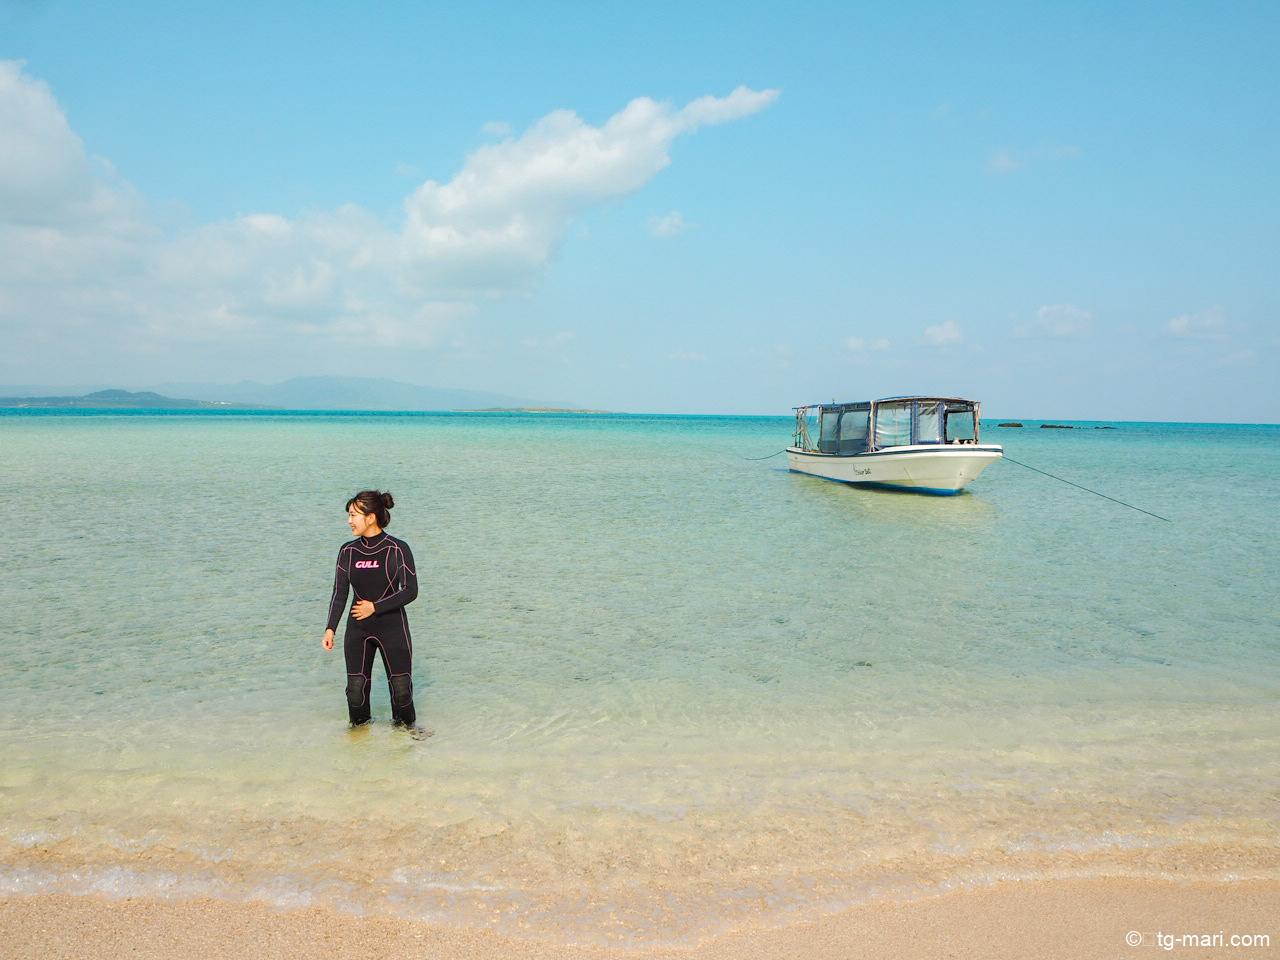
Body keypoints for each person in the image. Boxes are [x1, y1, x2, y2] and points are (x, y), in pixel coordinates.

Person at [322, 490, 430, 738]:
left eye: (353, 515)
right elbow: (339, 593)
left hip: (393, 627)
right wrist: (330, 628)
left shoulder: (398, 548)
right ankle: (359, 744)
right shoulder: (347, 551)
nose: (349, 521)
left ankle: (405, 740)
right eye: (348, 515)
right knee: (356, 690)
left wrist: (375, 606)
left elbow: (411, 591)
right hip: (358, 630)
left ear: (370, 517)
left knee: (401, 690)